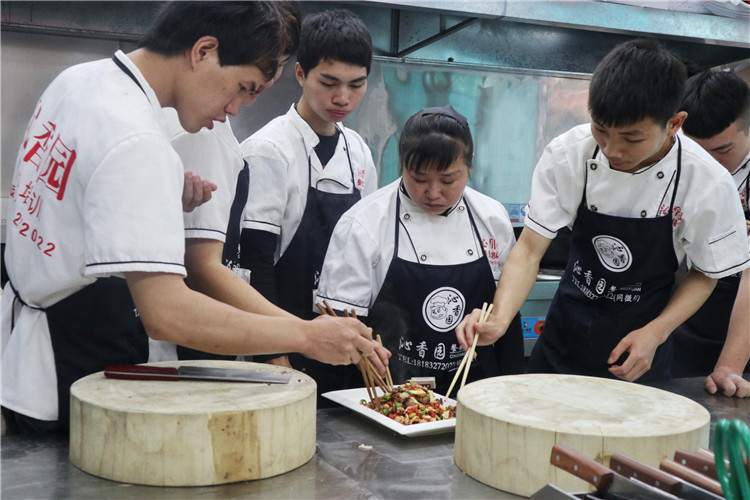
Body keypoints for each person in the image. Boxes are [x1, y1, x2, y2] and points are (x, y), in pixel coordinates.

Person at [1, 1, 379, 435]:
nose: (237, 108)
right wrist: (305, 336)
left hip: (28, 362)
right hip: (74, 371)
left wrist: (157, 199)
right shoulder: (138, 140)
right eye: (243, 87)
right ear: (203, 51)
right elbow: (167, 313)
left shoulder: (81, 81)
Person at [456, 39, 750, 383]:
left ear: (674, 123)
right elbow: (530, 249)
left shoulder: (706, 180)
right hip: (563, 341)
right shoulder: (570, 153)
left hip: (640, 354)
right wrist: (500, 319)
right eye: (601, 130)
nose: (613, 150)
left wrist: (656, 332)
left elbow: (705, 274)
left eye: (631, 138)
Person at [316, 105, 525, 396]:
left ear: (470, 165)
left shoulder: (492, 218)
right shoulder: (365, 222)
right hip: (387, 397)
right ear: (401, 165)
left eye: (449, 180)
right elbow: (339, 324)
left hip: (475, 396)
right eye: (420, 179)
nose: (434, 193)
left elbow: (506, 317)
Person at [238, 9, 378, 384]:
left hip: (342, 340)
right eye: (329, 82)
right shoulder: (269, 149)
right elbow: (255, 261)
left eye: (356, 84)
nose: (343, 97)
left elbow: (367, 255)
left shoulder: (359, 151)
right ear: (300, 73)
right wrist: (274, 355)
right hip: (282, 336)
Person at [671, 69, 750, 398]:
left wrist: (730, 365)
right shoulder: (676, 163)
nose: (709, 164)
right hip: (689, 322)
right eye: (698, 151)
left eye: (722, 150)